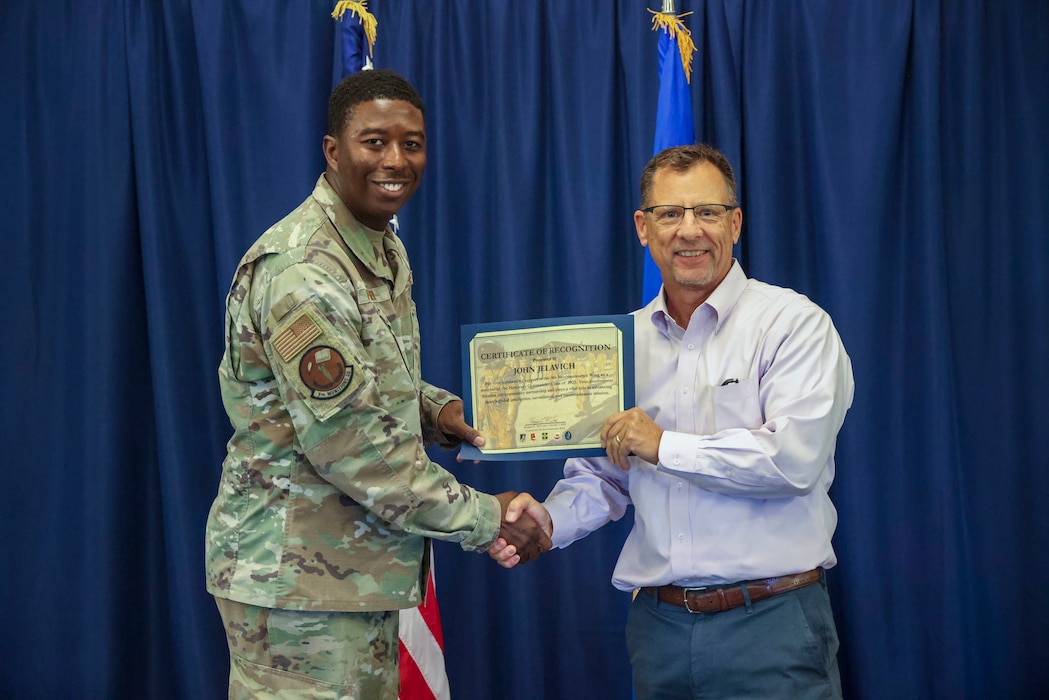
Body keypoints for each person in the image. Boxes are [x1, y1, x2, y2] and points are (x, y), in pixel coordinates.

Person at [204, 69, 550, 699]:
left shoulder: (376, 245)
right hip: (298, 590)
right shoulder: (304, 271)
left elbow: (372, 386)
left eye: (412, 143)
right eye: (374, 142)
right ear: (334, 151)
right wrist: (485, 516)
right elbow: (353, 446)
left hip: (348, 574)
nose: (396, 160)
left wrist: (441, 413)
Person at [490, 143, 855, 699]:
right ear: (643, 227)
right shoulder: (619, 344)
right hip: (659, 632)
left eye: (707, 212)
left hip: (772, 625)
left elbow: (792, 461)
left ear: (735, 222)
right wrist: (547, 522)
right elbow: (603, 477)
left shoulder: (793, 325)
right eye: (670, 214)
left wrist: (662, 446)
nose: (690, 230)